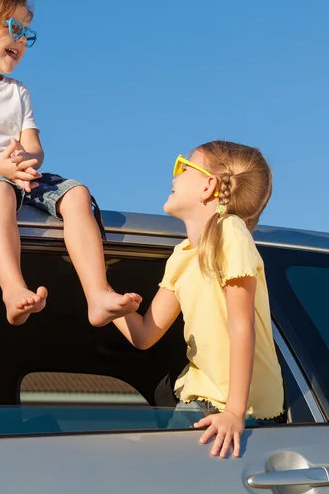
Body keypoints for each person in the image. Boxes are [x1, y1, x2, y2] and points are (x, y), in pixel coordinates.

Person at [0, 0, 141, 326]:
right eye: (14, 27)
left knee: (77, 194)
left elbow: (34, 146)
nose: (22, 39)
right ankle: (12, 289)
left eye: (27, 33)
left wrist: (25, 162)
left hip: (13, 175)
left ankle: (98, 294)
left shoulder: (18, 92)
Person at [113, 141, 284, 458]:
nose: (174, 176)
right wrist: (109, 304)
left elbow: (241, 326)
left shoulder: (230, 232)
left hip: (233, 410)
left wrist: (234, 412)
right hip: (200, 400)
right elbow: (145, 335)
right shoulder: (181, 256)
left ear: (208, 186)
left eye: (183, 165)